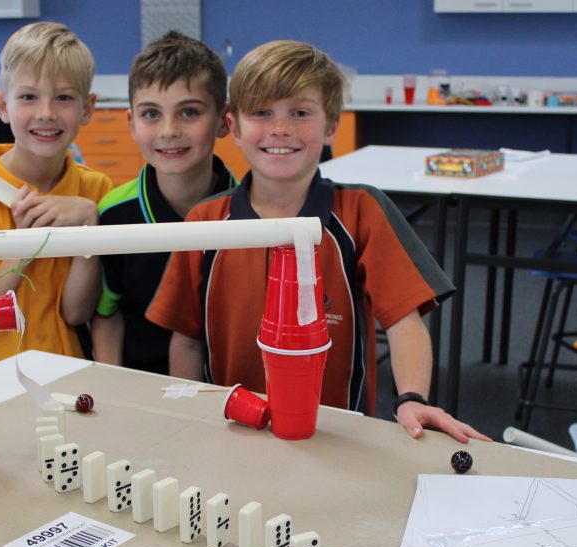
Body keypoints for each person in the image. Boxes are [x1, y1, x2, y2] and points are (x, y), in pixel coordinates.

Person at [146, 40, 488, 444]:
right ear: (234, 127)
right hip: (231, 431)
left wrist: (411, 397)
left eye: (300, 113)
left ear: (331, 127)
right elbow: (185, 339)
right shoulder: (205, 222)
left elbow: (403, 320)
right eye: (261, 112)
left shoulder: (362, 210)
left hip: (334, 434)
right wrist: (195, 417)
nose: (280, 129)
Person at [0, 21, 112, 364]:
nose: (46, 113)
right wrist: (24, 248)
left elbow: (77, 314)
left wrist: (89, 224)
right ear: (2, 106)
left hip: (72, 377)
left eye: (64, 98)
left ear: (87, 108)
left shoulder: (96, 191)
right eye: (28, 96)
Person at [91, 31, 236, 375]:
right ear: (131, 122)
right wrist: (114, 385)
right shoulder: (113, 214)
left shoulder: (252, 214)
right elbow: (106, 313)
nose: (169, 130)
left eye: (189, 112)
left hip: (234, 395)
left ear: (222, 121)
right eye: (151, 114)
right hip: (142, 390)